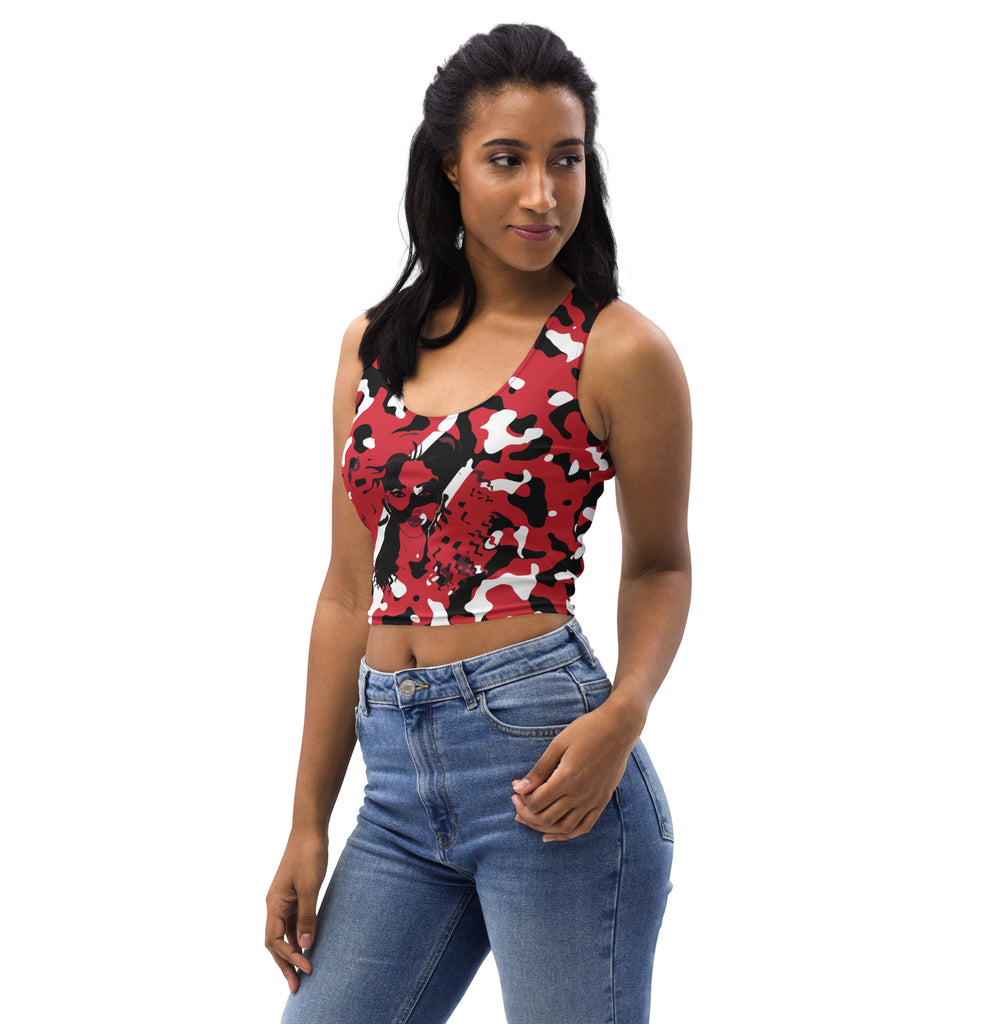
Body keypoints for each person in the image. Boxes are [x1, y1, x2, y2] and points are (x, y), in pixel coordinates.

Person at [265, 23, 692, 1024]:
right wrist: (305, 823)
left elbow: (660, 566)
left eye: (565, 160)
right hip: (396, 791)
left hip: (551, 770)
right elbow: (346, 592)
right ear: (450, 167)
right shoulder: (374, 345)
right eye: (507, 160)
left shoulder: (617, 350)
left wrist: (623, 717)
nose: (542, 194)